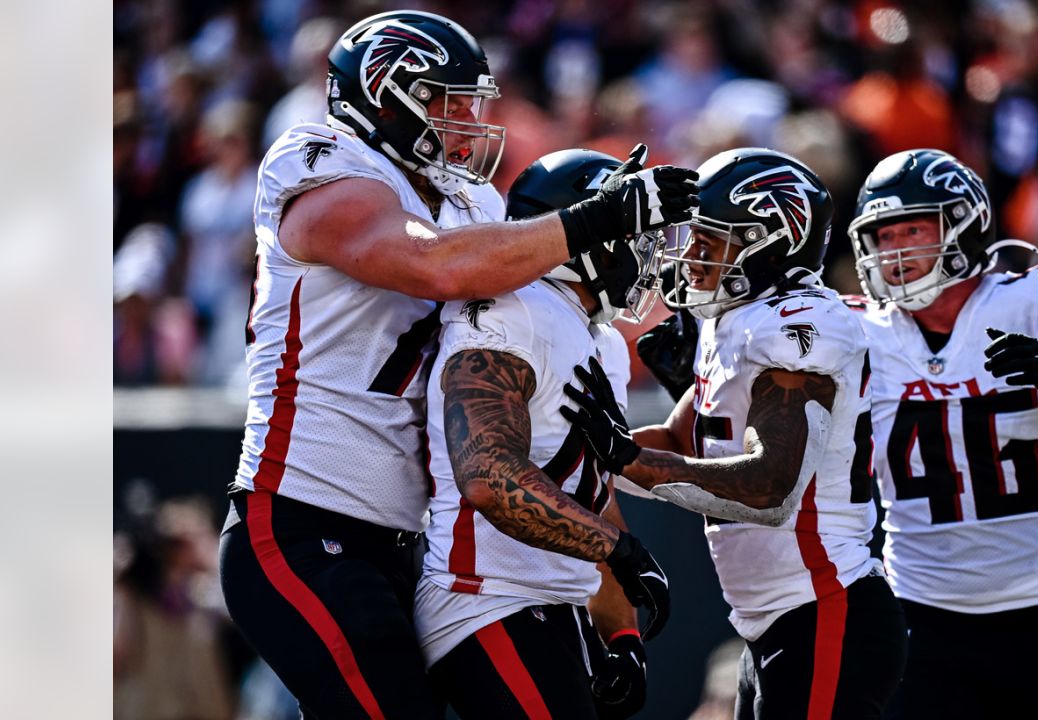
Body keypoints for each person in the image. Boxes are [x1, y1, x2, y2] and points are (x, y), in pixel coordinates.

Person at [218, 10, 698, 720]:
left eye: (472, 100)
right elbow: (431, 265)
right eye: (445, 100)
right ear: (384, 92)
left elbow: (555, 443)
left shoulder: (471, 200)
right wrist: (596, 220)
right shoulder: (324, 161)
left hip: (403, 538)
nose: (467, 119)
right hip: (296, 517)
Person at [562, 148, 907, 719]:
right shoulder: (732, 320)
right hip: (774, 622)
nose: (692, 257)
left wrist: (621, 454)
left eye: (711, 241)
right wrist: (576, 449)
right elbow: (677, 445)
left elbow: (771, 487)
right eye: (693, 237)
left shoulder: (798, 326)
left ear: (773, 243)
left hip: (826, 607)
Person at [843, 148, 1038, 720]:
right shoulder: (855, 331)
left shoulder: (1035, 298)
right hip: (922, 611)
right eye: (884, 236)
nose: (895, 252)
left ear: (962, 224)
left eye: (913, 229)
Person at [417, 149, 670, 719]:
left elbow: (593, 496)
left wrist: (622, 636)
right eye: (628, 229)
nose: (646, 249)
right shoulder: (512, 308)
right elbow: (487, 476)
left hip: (556, 605)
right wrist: (619, 551)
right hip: (484, 599)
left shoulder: (598, 337)